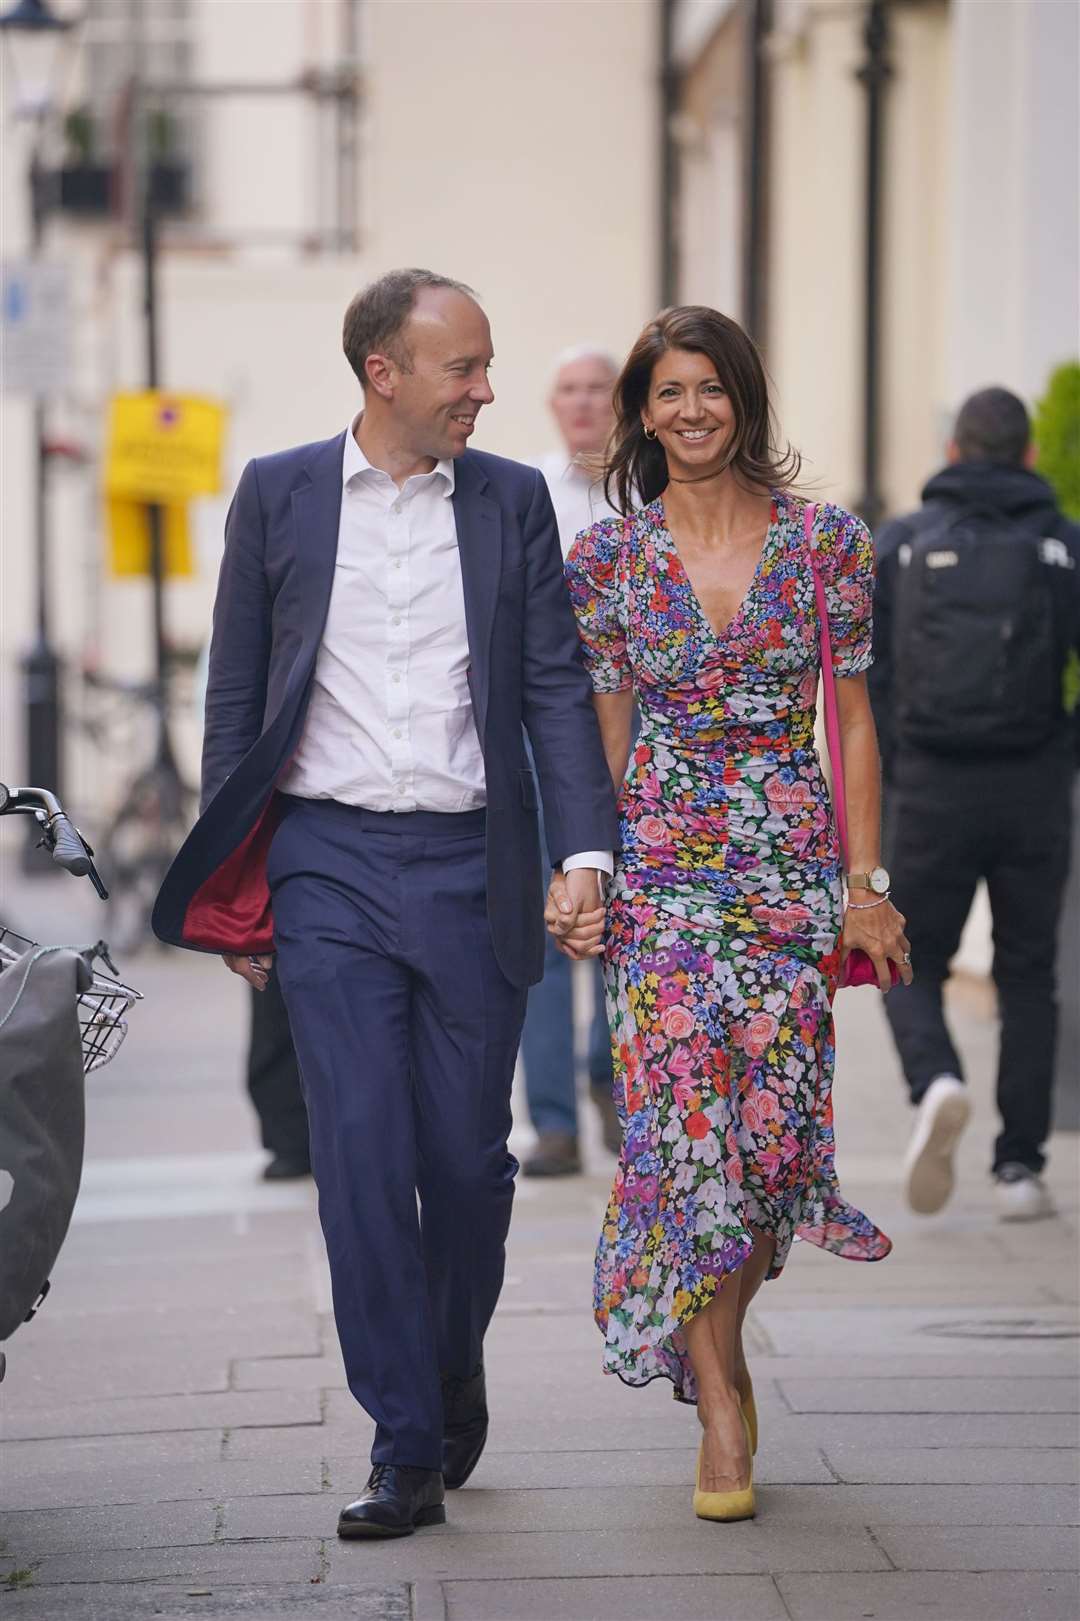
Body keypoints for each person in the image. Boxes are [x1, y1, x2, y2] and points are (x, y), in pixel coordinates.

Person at [153, 269, 617, 1539]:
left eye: (485, 365)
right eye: (463, 368)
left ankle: (447, 1358)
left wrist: (587, 849)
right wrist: (236, 884)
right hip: (326, 869)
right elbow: (237, 697)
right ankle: (404, 1438)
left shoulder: (514, 499)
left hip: (475, 866)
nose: (484, 389)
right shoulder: (281, 493)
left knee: (466, 1168)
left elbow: (556, 689)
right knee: (356, 1155)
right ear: (384, 374)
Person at [547, 304, 905, 1524]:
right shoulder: (605, 562)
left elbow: (850, 720)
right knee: (678, 1131)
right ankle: (719, 1408)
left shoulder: (827, 544)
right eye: (667, 394)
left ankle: (717, 1340)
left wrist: (866, 889)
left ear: (743, 400)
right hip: (662, 879)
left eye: (709, 389)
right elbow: (603, 730)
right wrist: (584, 867)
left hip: (788, 874)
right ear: (640, 416)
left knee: (763, 1142)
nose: (689, 412)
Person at [869, 387, 1080, 1223]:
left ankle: (938, 1078)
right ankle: (1020, 1166)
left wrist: (893, 760)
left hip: (929, 787)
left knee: (901, 957)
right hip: (1034, 787)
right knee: (1029, 973)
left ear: (954, 452)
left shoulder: (906, 541)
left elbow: (866, 676)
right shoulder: (1063, 543)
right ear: (1029, 455)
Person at [521, 346, 622, 1175]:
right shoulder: (524, 492)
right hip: (541, 728)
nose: (585, 404)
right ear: (552, 405)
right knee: (548, 918)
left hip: (636, 725)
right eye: (570, 390)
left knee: (627, 915)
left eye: (599, 389)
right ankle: (552, 1119)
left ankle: (616, 1082)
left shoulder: (648, 494)